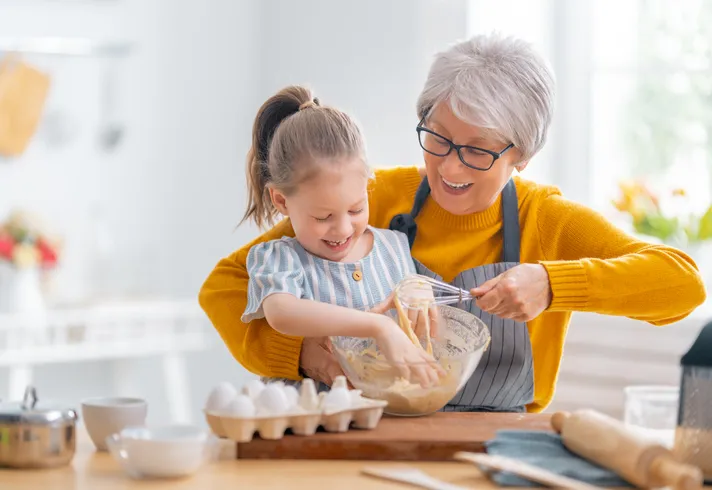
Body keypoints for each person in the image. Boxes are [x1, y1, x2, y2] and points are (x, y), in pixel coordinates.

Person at [199, 33, 706, 413]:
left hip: (497, 444)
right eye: (437, 138)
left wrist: (554, 283)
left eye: (478, 151)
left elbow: (681, 284)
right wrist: (304, 355)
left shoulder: (545, 222)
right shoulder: (371, 199)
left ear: (522, 156)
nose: (449, 167)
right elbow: (224, 287)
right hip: (368, 428)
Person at [236, 85, 441, 388]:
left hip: (385, 419)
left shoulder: (395, 247)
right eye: (323, 217)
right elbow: (283, 313)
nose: (343, 229)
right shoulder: (278, 259)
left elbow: (416, 309)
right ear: (281, 201)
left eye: (356, 209)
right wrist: (377, 327)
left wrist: (419, 292)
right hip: (308, 425)